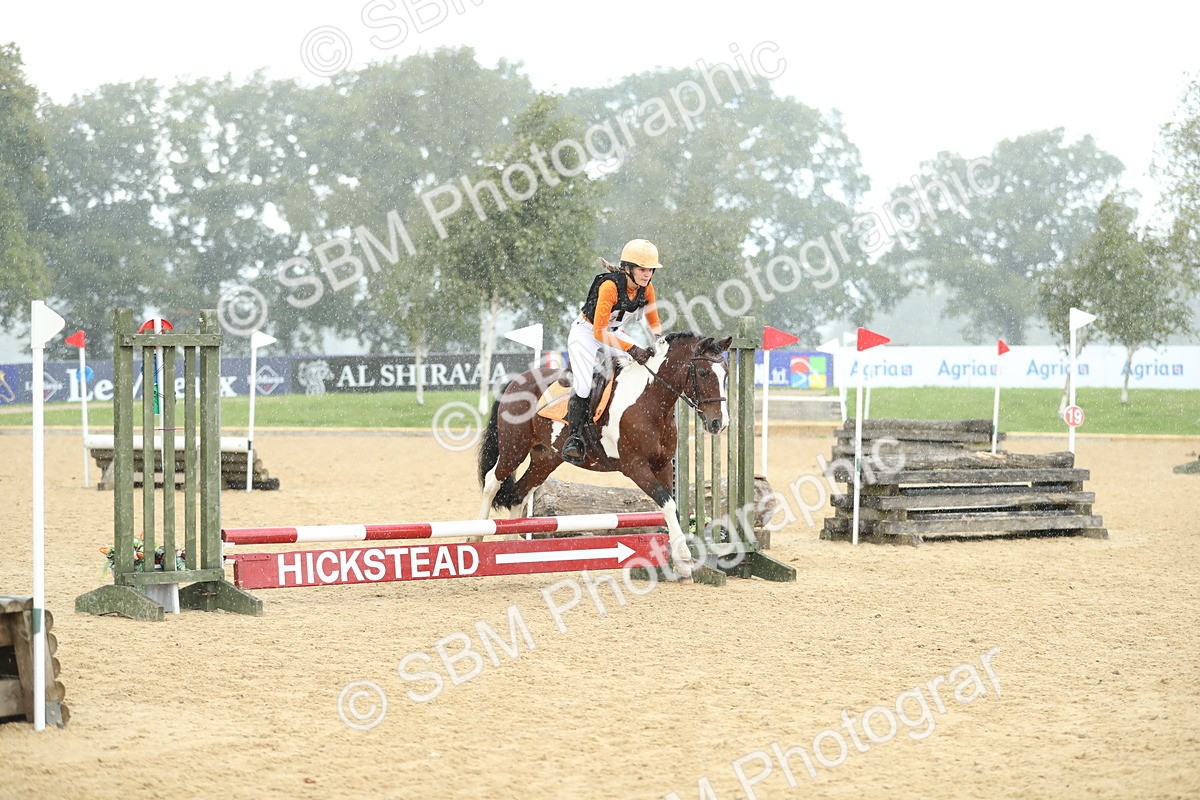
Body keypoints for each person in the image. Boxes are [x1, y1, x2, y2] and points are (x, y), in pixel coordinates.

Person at [561, 238, 664, 465]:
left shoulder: (647, 289)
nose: (647, 274)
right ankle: (574, 438)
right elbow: (599, 333)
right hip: (587, 333)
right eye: (642, 269)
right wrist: (632, 347)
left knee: (644, 363)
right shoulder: (609, 286)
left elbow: (653, 321)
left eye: (650, 270)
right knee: (584, 384)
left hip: (613, 333)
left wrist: (659, 341)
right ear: (628, 268)